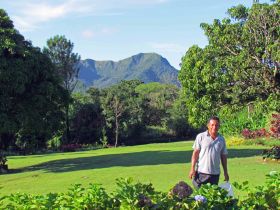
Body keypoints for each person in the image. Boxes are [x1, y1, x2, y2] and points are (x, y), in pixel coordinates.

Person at [188, 116, 229, 188]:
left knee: (212, 197)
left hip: (215, 174)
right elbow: (195, 154)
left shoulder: (221, 139)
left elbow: (223, 157)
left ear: (219, 126)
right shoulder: (201, 137)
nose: (214, 127)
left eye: (216, 125)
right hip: (201, 173)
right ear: (208, 125)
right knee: (200, 197)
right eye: (212, 125)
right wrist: (192, 168)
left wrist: (225, 172)